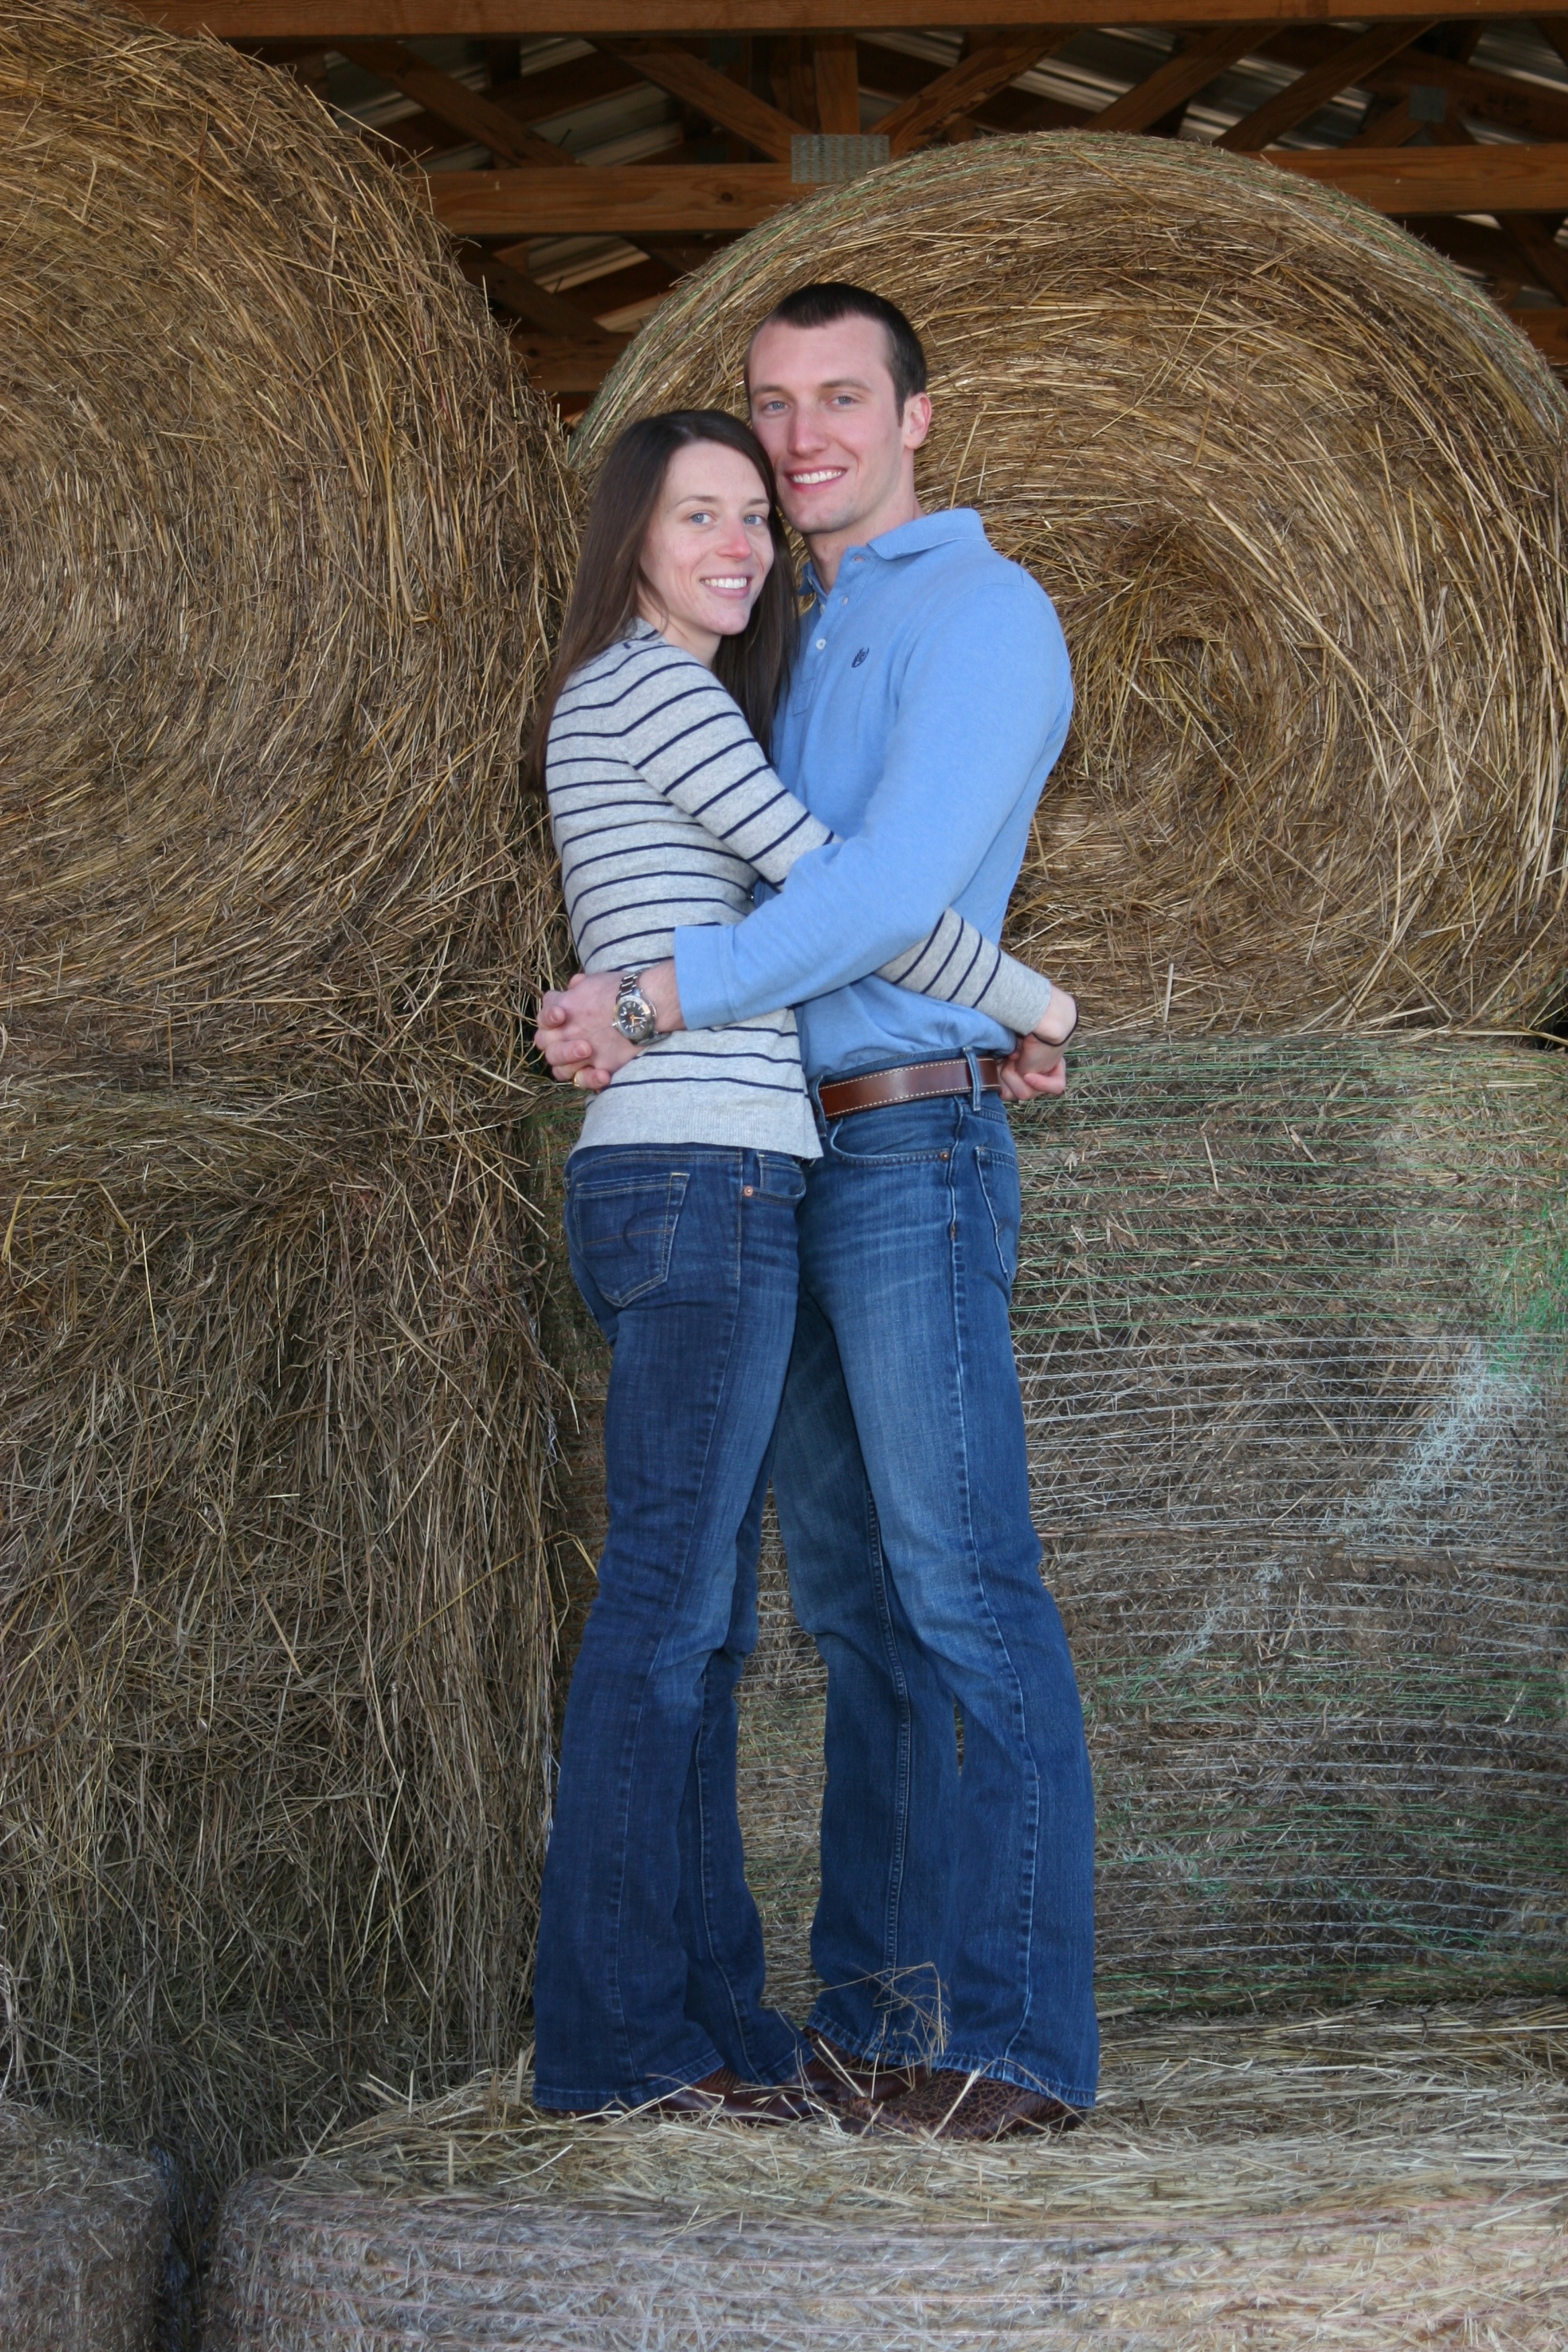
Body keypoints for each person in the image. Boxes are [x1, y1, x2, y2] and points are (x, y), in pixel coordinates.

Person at [538, 285, 1097, 2143]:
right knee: (853, 1612)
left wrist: (656, 997)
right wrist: (1024, 999)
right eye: (771, 406)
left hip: (907, 1148)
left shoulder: (979, 614)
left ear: (918, 416)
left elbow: (867, 898)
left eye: (840, 398)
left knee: (963, 1590)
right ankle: (878, 2021)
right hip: (778, 1155)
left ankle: (1011, 2044)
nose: (800, 441)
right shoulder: (777, 638)